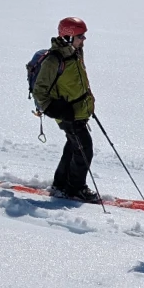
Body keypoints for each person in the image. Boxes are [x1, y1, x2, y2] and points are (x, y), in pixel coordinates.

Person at [33, 16, 99, 203]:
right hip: (66, 114)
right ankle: (75, 188)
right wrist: (58, 111)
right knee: (84, 149)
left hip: (78, 111)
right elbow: (40, 91)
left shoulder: (75, 52)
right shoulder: (54, 60)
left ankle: (60, 184)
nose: (84, 39)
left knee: (73, 147)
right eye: (80, 36)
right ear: (68, 37)